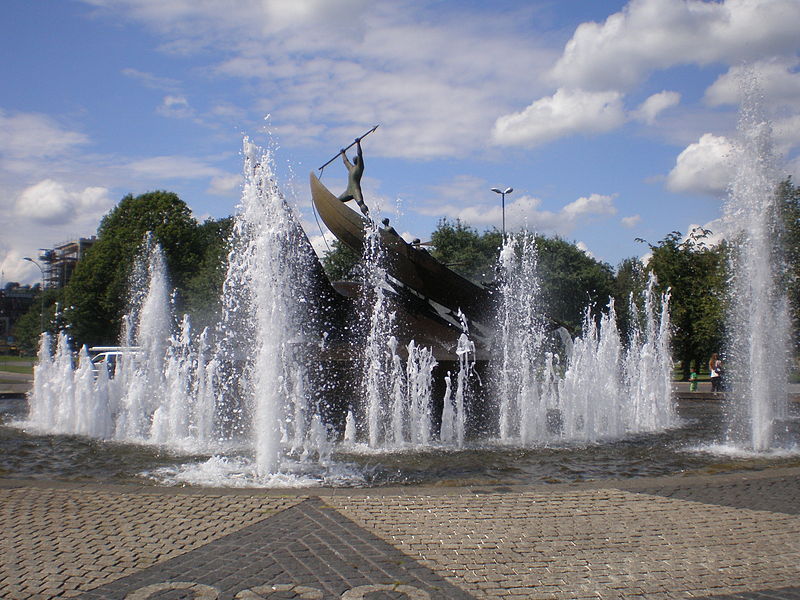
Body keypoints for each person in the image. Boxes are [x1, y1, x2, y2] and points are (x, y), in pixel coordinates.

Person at [337, 137, 369, 216]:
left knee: (361, 203)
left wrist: (358, 144)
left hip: (355, 189)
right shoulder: (351, 168)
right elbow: (345, 161)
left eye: (356, 159)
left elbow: (360, 154)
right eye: (354, 159)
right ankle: (340, 215)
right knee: (337, 201)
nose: (354, 159)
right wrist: (343, 153)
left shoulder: (360, 167)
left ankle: (369, 218)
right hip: (348, 191)